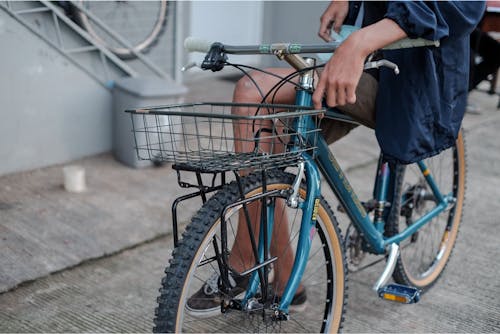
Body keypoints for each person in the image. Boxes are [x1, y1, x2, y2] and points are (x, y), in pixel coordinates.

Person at [186, 1, 485, 316]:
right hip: (361, 58)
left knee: (257, 99)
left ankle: (244, 262)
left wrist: (361, 42)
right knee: (257, 107)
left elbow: (463, 6)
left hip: (413, 76)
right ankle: (286, 278)